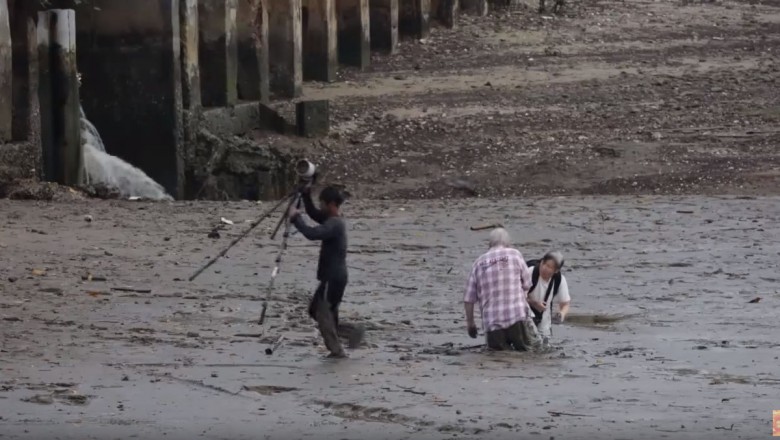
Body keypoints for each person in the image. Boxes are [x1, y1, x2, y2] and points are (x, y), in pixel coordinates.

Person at [289, 185, 362, 358]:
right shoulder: (333, 220)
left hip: (333, 277)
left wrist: (296, 218)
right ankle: (352, 333)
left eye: (322, 204)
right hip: (334, 277)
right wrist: (306, 196)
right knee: (316, 310)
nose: (320, 207)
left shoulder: (334, 224)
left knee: (323, 314)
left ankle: (337, 351)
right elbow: (315, 215)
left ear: (330, 204)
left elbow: (312, 234)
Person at [464, 228, 541, 351]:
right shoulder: (515, 254)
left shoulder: (478, 263)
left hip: (492, 322)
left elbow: (469, 299)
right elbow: (527, 284)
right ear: (508, 243)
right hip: (517, 316)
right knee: (528, 352)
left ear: (489, 244)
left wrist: (470, 324)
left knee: (498, 357)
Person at [526, 251, 571, 347]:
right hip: (525, 313)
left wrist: (561, 314)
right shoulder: (530, 272)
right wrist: (534, 303)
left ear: (556, 271)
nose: (544, 268)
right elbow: (516, 296)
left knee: (544, 345)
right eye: (544, 264)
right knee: (530, 342)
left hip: (544, 317)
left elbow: (565, 304)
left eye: (550, 267)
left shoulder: (559, 280)